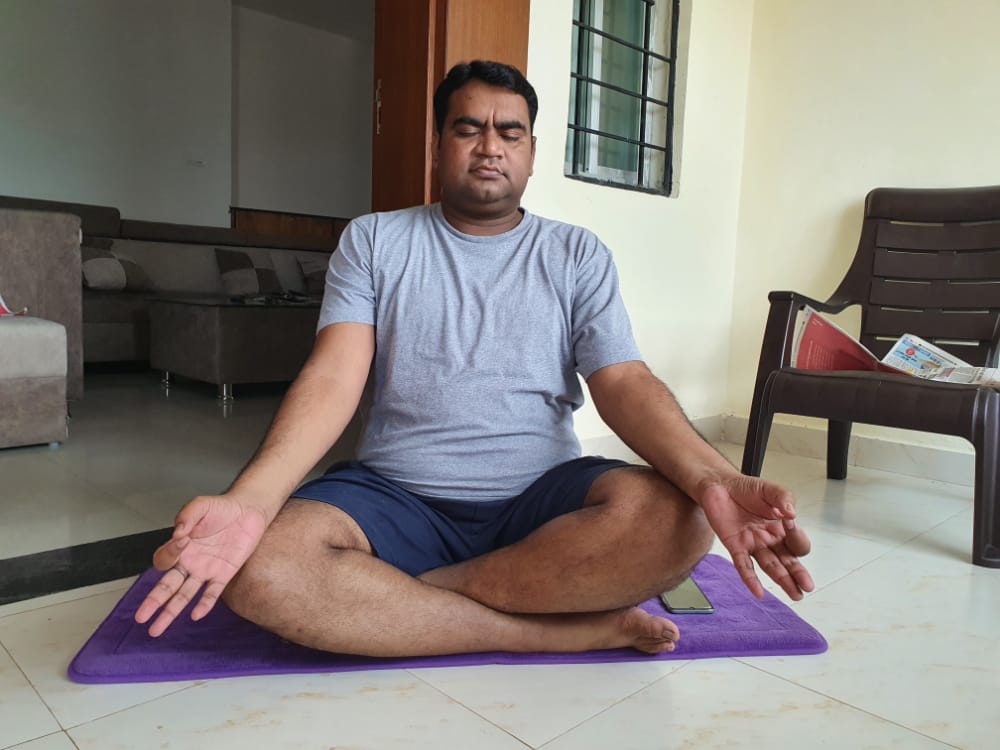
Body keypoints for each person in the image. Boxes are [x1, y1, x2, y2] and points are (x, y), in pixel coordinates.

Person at [135, 60, 813, 657]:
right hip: (395, 496)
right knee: (261, 566)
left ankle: (419, 599)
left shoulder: (576, 254)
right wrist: (251, 503)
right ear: (438, 143)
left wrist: (714, 478)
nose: (490, 147)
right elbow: (335, 375)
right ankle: (544, 629)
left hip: (542, 506)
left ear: (532, 150)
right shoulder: (374, 241)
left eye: (509, 132)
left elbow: (625, 381)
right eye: (468, 128)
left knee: (680, 520)